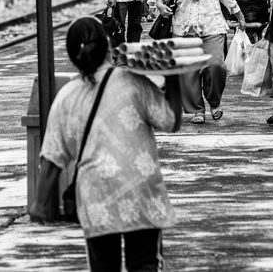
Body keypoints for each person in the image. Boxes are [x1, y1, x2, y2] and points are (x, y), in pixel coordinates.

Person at [29, 17, 183, 271]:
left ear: (72, 55)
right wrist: (173, 75)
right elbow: (172, 121)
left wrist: (40, 203)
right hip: (141, 190)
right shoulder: (133, 81)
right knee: (145, 263)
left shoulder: (66, 97)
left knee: (104, 268)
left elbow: (52, 157)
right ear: (109, 45)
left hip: (96, 195)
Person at [154, 0, 247, 124]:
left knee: (215, 66)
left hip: (212, 28)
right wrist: (160, 5)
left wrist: (240, 16)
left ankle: (214, 102)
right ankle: (197, 110)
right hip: (183, 30)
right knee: (188, 72)